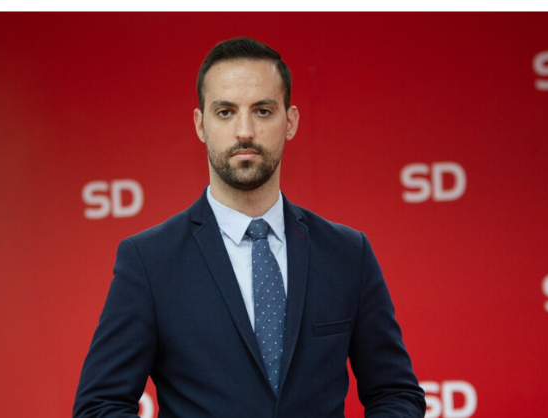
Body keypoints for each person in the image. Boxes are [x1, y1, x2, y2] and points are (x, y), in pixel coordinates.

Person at [73, 37, 426, 418]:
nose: (244, 131)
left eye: (262, 111)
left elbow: (395, 393)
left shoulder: (347, 253)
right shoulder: (149, 261)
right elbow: (99, 407)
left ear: (290, 122)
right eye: (225, 112)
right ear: (201, 124)